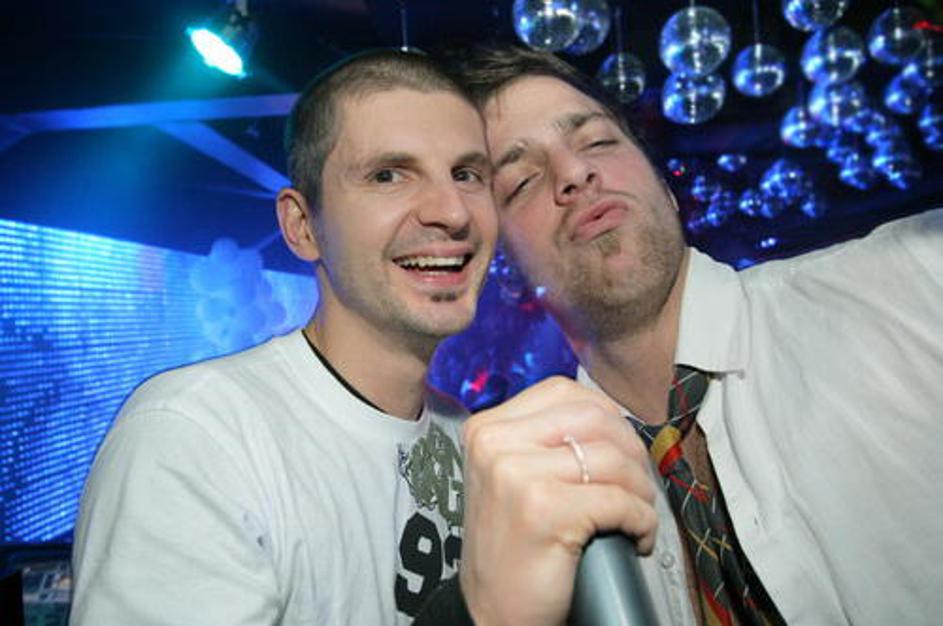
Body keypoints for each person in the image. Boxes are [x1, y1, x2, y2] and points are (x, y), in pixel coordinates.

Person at [419, 46, 943, 626]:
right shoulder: (538, 502)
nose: (574, 174)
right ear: (507, 268)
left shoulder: (913, 281)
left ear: (666, 188)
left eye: (598, 142)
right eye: (521, 181)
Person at [69, 49, 505, 625]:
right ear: (302, 227)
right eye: (388, 175)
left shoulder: (462, 431)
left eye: (467, 174)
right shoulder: (196, 437)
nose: (452, 211)